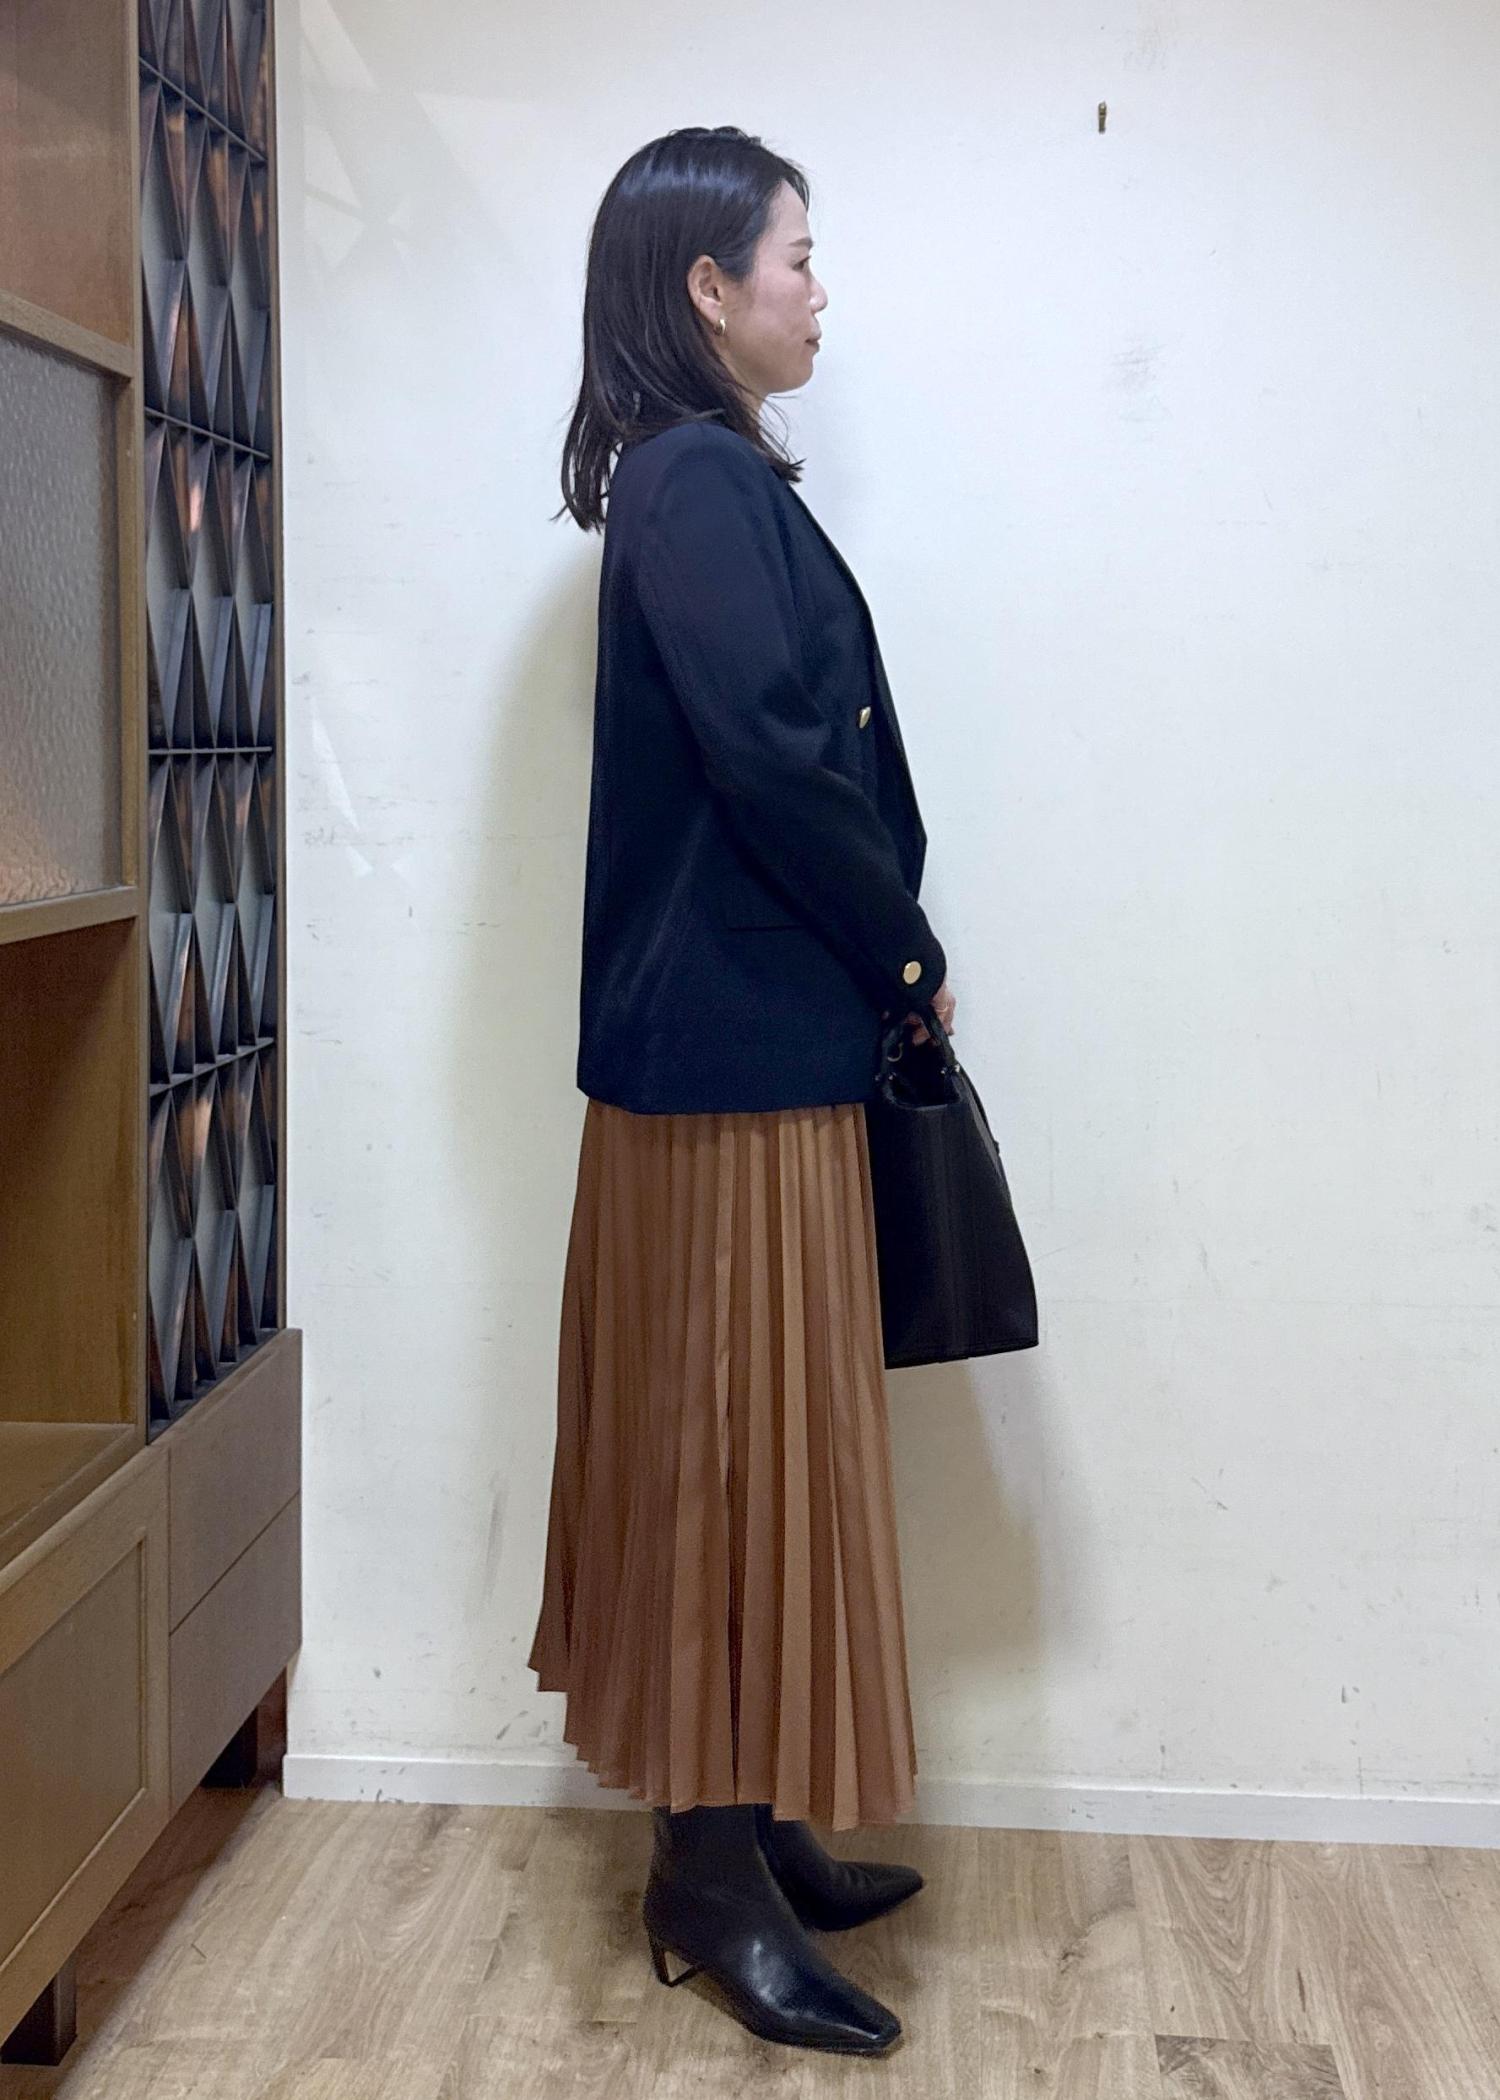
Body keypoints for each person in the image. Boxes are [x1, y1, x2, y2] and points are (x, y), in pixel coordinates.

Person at [526, 125, 957, 2057]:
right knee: (721, 1454)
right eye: (797, 254)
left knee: (754, 1442)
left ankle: (751, 1830)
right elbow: (777, 759)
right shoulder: (692, 477)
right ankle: (707, 1878)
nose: (817, 287)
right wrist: (905, 951)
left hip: (741, 1054)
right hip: (725, 1069)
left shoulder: (700, 471)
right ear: (708, 287)